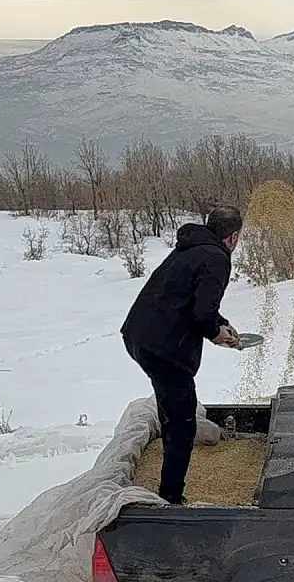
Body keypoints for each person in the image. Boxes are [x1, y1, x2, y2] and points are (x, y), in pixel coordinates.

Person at [120, 205, 244, 504]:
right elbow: (201, 313)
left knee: (172, 407)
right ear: (233, 237)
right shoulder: (217, 258)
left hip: (139, 336)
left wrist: (220, 323)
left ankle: (169, 475)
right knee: (182, 422)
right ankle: (171, 498)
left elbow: (186, 297)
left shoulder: (190, 247)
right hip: (163, 348)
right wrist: (215, 333)